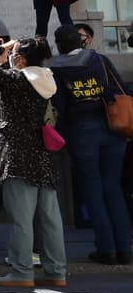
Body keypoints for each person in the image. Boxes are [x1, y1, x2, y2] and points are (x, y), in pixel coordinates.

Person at [0, 38, 67, 289]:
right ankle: (56, 271)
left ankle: (22, 271)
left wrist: (0, 49)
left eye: (14, 53)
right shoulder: (45, 79)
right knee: (50, 219)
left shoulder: (16, 80)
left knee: (22, 219)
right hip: (41, 156)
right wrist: (8, 56)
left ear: (21, 59)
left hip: (16, 157)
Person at [49, 24, 131, 264]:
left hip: (82, 132)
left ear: (60, 45)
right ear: (81, 42)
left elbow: (59, 107)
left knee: (92, 190)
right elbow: (121, 88)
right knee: (113, 187)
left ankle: (106, 248)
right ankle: (124, 248)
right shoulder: (100, 60)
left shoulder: (57, 68)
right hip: (112, 127)